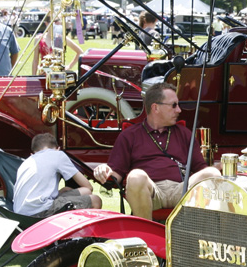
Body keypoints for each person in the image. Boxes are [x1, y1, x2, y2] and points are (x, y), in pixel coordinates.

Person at [92, 82, 219, 219]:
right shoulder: (130, 135)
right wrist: (104, 170)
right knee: (136, 176)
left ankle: (206, 231)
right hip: (150, 191)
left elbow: (201, 170)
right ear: (155, 108)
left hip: (181, 190)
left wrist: (218, 168)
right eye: (174, 105)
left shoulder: (184, 133)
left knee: (212, 173)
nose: (179, 110)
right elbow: (115, 176)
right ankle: (145, 232)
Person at [12, 132, 101, 217]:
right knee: (96, 200)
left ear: (32, 153)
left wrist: (62, 192)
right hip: (41, 211)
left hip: (20, 213)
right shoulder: (58, 155)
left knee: (80, 191)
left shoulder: (26, 162)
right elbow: (88, 187)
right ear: (58, 149)